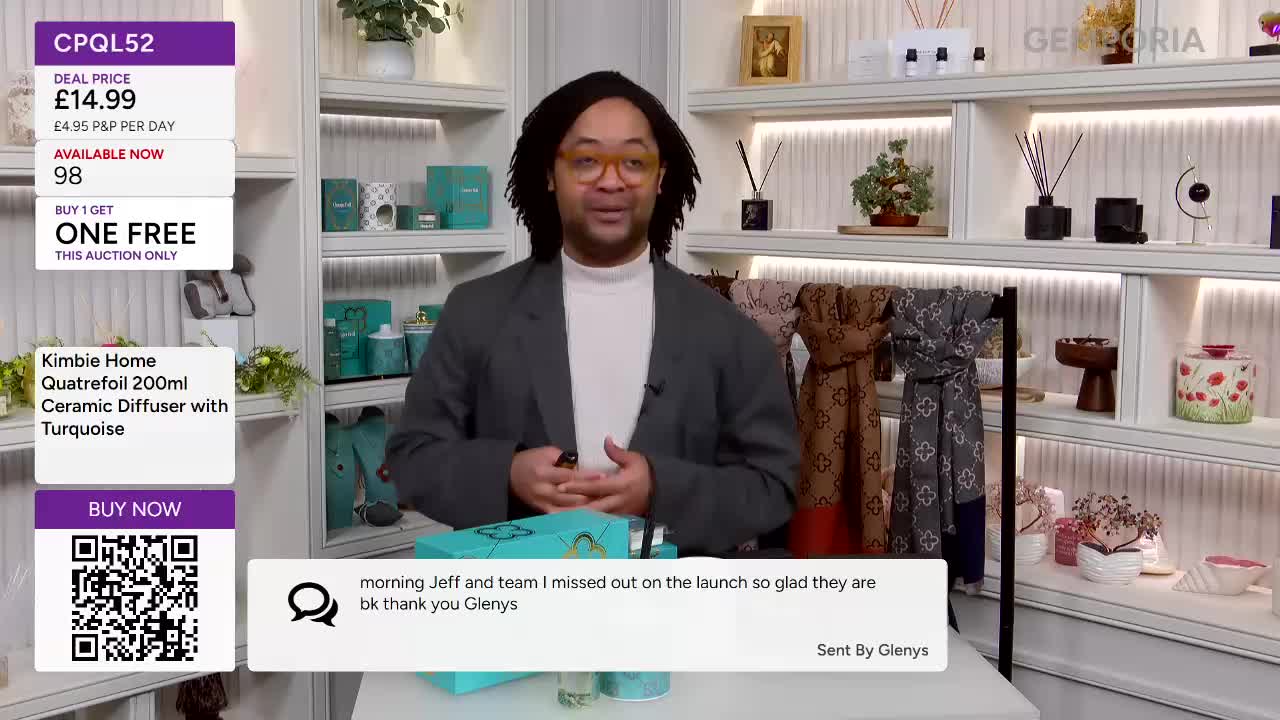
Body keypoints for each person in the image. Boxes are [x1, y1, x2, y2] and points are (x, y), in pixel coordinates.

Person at [386, 71, 799, 555]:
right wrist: (508, 473)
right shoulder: (477, 311)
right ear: (549, 173)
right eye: (585, 160)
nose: (610, 180)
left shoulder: (727, 332)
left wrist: (660, 490)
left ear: (660, 176)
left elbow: (775, 487)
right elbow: (412, 458)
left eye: (632, 161)